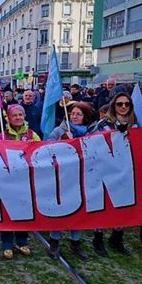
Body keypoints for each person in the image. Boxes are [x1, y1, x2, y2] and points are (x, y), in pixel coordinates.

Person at [92, 92, 139, 256]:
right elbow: (90, 143)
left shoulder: (136, 126)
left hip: (127, 171)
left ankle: (117, 238)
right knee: (103, 205)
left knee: (123, 205)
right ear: (114, 106)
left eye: (127, 104)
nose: (124, 107)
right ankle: (98, 239)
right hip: (105, 171)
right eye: (120, 104)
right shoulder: (104, 124)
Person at [47, 102, 96, 260]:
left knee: (78, 208)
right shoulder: (59, 130)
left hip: (82, 176)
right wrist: (63, 141)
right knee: (60, 208)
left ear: (85, 117)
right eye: (72, 113)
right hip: (62, 176)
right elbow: (45, 148)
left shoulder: (91, 132)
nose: (74, 117)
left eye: (78, 114)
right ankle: (54, 241)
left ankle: (76, 242)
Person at [0, 104, 40, 259]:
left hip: (25, 180)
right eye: (14, 115)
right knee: (6, 212)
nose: (18, 118)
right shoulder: (1, 135)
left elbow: (40, 154)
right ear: (9, 118)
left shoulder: (32, 135)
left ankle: (22, 241)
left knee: (23, 211)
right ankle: (7, 243)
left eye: (20, 114)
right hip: (7, 181)